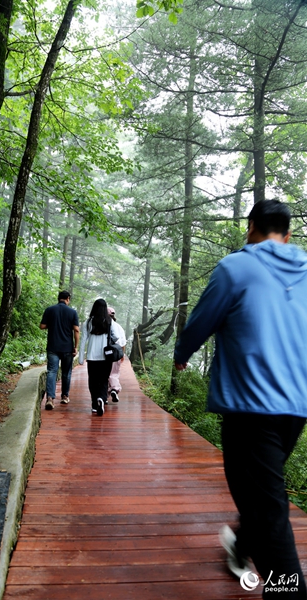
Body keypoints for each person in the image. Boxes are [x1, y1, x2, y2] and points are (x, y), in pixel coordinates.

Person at [174, 200, 307, 599]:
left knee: (268, 509)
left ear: (251, 228)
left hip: (251, 408)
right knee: (263, 495)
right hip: (296, 408)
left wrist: (181, 355)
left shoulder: (236, 267)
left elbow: (202, 321)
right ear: (288, 234)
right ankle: (241, 544)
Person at [78, 298, 120, 416]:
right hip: (105, 357)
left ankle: (94, 405)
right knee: (103, 380)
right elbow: (116, 337)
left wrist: (81, 358)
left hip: (92, 357)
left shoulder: (88, 322)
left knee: (93, 381)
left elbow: (83, 340)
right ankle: (101, 398)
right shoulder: (109, 321)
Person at [40, 290, 79, 410]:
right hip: (67, 347)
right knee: (66, 373)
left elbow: (42, 326)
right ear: (67, 298)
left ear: (58, 298)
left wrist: (52, 323)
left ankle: (50, 398)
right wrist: (76, 347)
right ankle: (64, 396)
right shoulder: (72, 312)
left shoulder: (50, 310)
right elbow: (76, 330)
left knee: (52, 371)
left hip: (53, 347)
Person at [107, 306, 126, 403]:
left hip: (105, 353)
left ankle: (104, 395)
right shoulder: (119, 327)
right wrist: (122, 354)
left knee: (105, 373)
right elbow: (123, 342)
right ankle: (114, 389)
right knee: (114, 373)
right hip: (116, 353)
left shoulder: (102, 325)